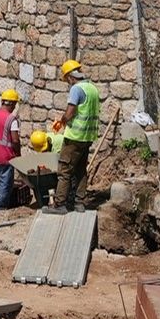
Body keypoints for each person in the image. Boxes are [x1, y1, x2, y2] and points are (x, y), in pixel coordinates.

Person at [47, 58, 103, 213]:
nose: (68, 83)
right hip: (88, 136)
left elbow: (71, 111)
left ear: (71, 77)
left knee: (64, 170)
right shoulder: (92, 88)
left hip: (75, 136)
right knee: (80, 170)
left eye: (67, 80)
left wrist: (62, 121)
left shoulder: (76, 89)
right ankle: (79, 203)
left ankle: (60, 204)